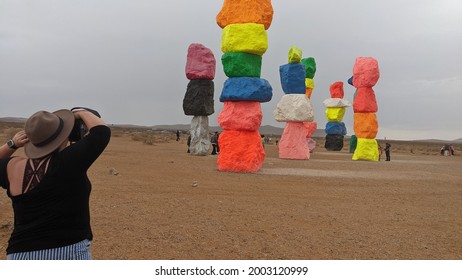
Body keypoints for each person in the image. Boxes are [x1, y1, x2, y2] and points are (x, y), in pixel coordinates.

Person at [0, 108, 110, 260]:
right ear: (63, 136)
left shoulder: (11, 166)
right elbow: (101, 132)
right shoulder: (69, 162)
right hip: (67, 252)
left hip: (19, 254)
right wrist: (80, 112)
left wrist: (12, 144)